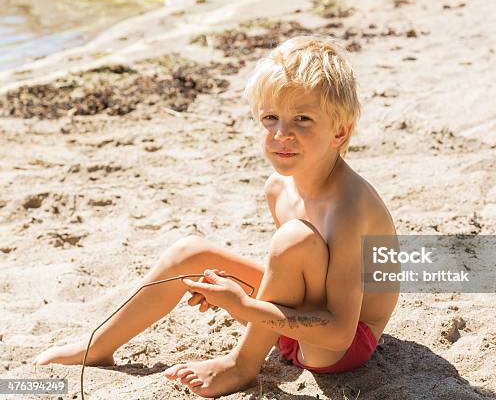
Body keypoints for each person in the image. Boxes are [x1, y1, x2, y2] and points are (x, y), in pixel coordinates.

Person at [33, 35, 398, 398]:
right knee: (189, 254)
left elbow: (339, 332)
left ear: (340, 131)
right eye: (270, 117)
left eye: (302, 119)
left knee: (293, 239)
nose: (282, 133)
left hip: (339, 346)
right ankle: (97, 346)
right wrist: (238, 296)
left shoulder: (350, 208)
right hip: (301, 322)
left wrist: (244, 305)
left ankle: (241, 365)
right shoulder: (278, 188)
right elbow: (296, 277)